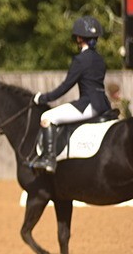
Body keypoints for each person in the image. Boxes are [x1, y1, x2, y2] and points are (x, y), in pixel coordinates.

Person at [28, 16, 112, 172]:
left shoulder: (80, 60)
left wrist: (43, 98)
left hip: (88, 105)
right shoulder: (100, 59)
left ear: (79, 38)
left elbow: (65, 86)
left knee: (47, 117)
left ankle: (48, 159)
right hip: (104, 105)